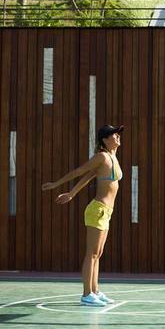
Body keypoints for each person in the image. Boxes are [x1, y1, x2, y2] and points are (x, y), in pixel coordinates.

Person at [42, 124, 124, 307]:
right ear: (104, 139)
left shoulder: (112, 157)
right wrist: (57, 184)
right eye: (114, 134)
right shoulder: (102, 156)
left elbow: (89, 177)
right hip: (97, 210)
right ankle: (87, 294)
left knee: (98, 253)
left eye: (118, 134)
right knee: (91, 253)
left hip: (106, 212)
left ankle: (95, 290)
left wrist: (72, 193)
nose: (118, 136)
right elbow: (79, 171)